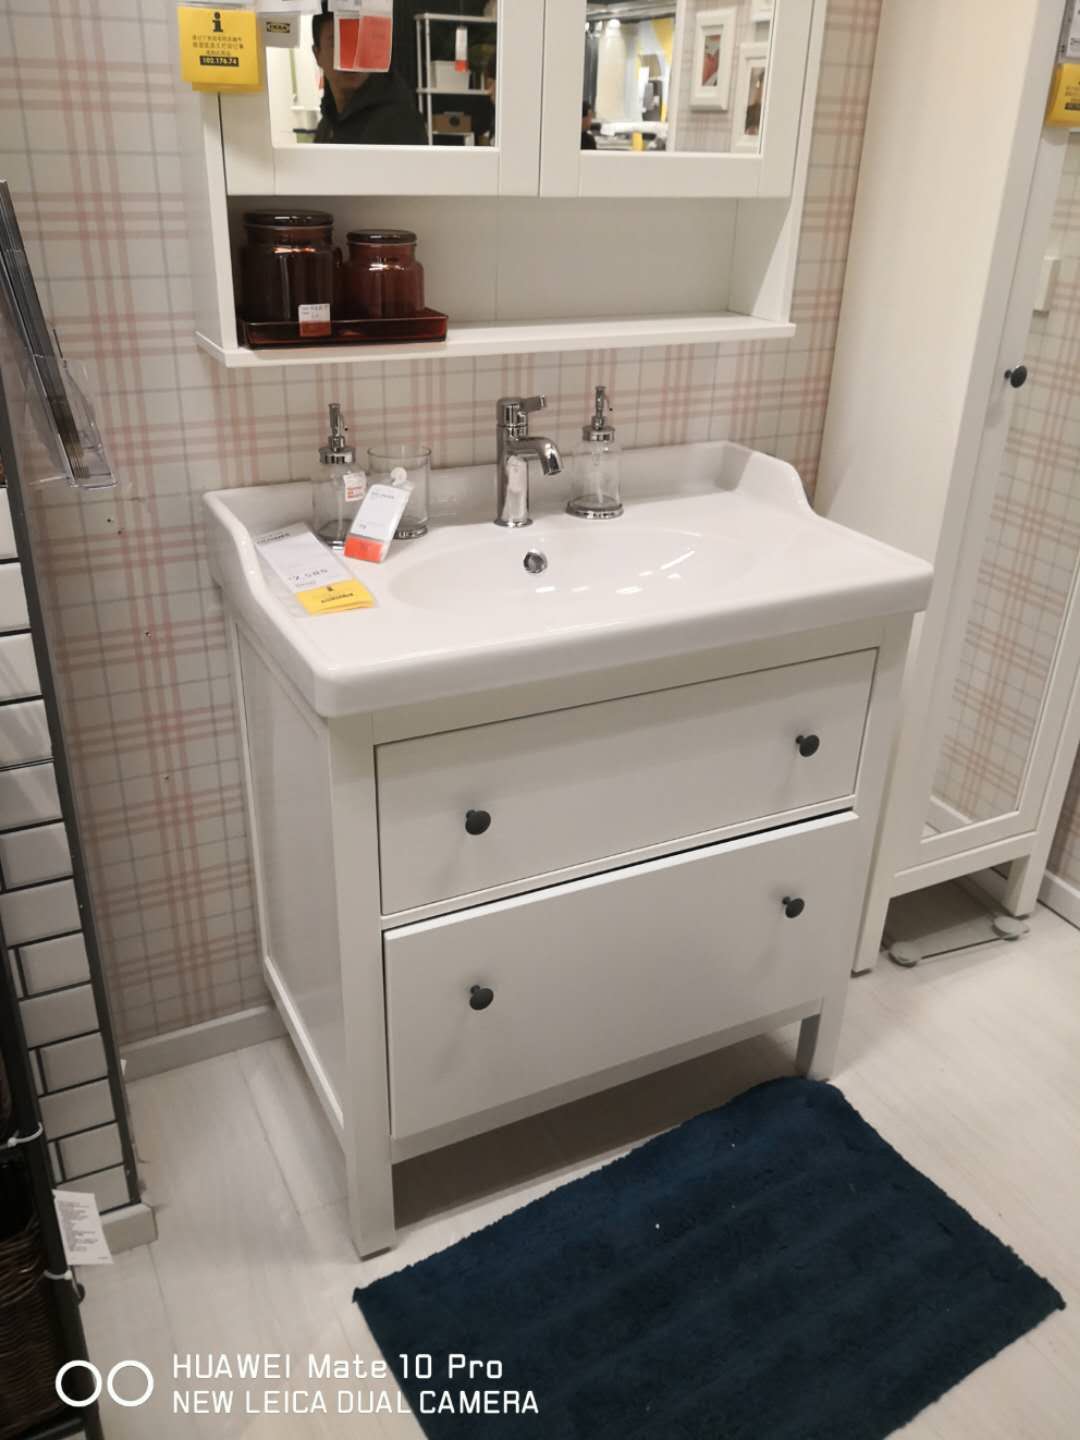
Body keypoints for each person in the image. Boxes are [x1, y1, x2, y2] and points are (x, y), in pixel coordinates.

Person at [312, 12, 428, 146]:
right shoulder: (327, 124)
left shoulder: (401, 123)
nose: (350, 56)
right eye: (336, 43)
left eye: (359, 41)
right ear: (317, 54)